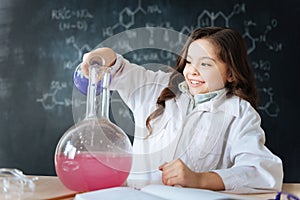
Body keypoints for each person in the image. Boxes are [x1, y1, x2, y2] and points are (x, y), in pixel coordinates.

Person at [75, 27, 283, 193]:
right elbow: (119, 69)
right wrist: (101, 57)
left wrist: (200, 179)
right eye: (190, 61)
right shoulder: (158, 86)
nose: (192, 71)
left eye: (206, 64)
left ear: (230, 73)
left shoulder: (239, 113)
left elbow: (262, 171)